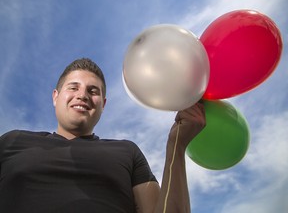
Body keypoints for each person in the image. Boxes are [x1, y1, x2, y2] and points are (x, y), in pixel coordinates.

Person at [0, 58, 206, 213]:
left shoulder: (127, 152)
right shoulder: (12, 141)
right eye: (73, 87)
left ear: (103, 104)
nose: (82, 95)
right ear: (56, 97)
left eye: (93, 91)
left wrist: (176, 146)